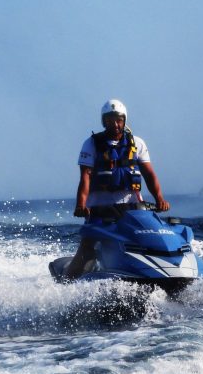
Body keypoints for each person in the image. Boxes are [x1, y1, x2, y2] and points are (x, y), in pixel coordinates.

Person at [66, 99, 169, 278]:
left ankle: (154, 274)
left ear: (124, 120)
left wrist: (159, 198)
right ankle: (66, 285)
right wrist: (81, 205)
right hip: (99, 208)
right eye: (110, 119)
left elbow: (149, 174)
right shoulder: (91, 144)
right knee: (86, 250)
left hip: (133, 206)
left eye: (119, 119)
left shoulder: (137, 143)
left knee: (145, 242)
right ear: (103, 121)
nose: (115, 124)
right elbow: (86, 177)